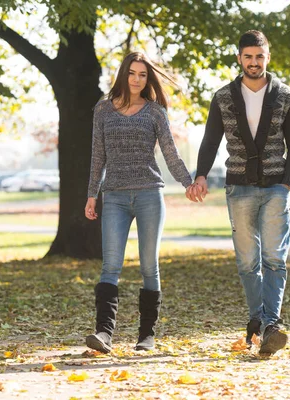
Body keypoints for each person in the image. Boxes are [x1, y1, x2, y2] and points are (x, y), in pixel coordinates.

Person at [187, 30, 290, 355]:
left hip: (275, 189)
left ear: (268, 57)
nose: (254, 62)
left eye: (260, 56)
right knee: (248, 262)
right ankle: (258, 321)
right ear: (240, 58)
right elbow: (210, 141)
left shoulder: (286, 96)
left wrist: (286, 183)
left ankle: (271, 324)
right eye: (248, 56)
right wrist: (200, 175)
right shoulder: (224, 96)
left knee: (275, 259)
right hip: (238, 187)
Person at [85, 52, 195, 354]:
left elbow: (170, 153)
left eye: (142, 75)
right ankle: (104, 334)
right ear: (123, 74)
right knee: (111, 265)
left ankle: (146, 335)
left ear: (148, 79)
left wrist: (188, 182)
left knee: (149, 265)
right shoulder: (103, 110)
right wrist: (92, 194)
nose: (136, 79)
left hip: (149, 194)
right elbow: (98, 156)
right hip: (115, 196)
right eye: (132, 73)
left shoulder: (155, 112)